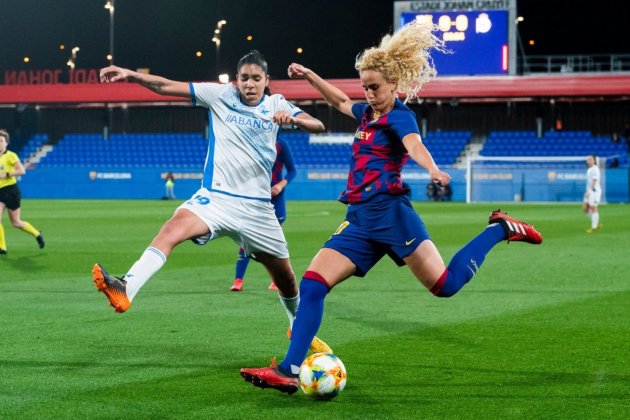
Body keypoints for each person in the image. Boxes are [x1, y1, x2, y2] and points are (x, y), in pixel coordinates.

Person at [240, 22, 543, 394]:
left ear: (394, 86)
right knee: (314, 283)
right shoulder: (367, 114)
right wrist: (309, 75)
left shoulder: (399, 116)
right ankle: (288, 369)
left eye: (375, 87)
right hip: (360, 220)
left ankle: (499, 229)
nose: (368, 93)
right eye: (365, 86)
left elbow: (414, 144)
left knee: (444, 286)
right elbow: (337, 100)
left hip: (391, 215)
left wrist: (432, 168)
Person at [92, 50, 331, 353]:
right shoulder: (219, 95)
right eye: (244, 78)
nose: (250, 84)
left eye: (256, 78)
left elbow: (318, 124)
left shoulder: (276, 104)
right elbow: (167, 86)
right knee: (172, 228)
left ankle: (300, 332)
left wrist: (294, 121)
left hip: (257, 209)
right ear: (236, 80)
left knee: (285, 279)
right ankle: (126, 287)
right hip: (216, 198)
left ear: (266, 81)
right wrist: (133, 74)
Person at [231, 135, 297, 292]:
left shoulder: (281, 144)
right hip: (255, 198)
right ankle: (238, 280)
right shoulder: (251, 141)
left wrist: (281, 185)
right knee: (246, 237)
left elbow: (292, 170)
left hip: (276, 198)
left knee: (274, 240)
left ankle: (276, 281)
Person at [0, 129, 45, 255]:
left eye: (1, 141)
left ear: (6, 143)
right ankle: (2, 248)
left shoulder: (11, 155)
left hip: (11, 190)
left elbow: (21, 171)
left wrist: (6, 174)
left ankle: (37, 234)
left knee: (16, 222)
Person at [583, 154, 602, 233]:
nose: (589, 161)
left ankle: (594, 227)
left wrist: (589, 191)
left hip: (594, 192)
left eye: (591, 159)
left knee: (593, 208)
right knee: (585, 209)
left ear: (594, 160)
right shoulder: (589, 169)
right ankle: (596, 222)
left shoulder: (595, 169)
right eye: (588, 159)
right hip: (589, 191)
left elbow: (594, 181)